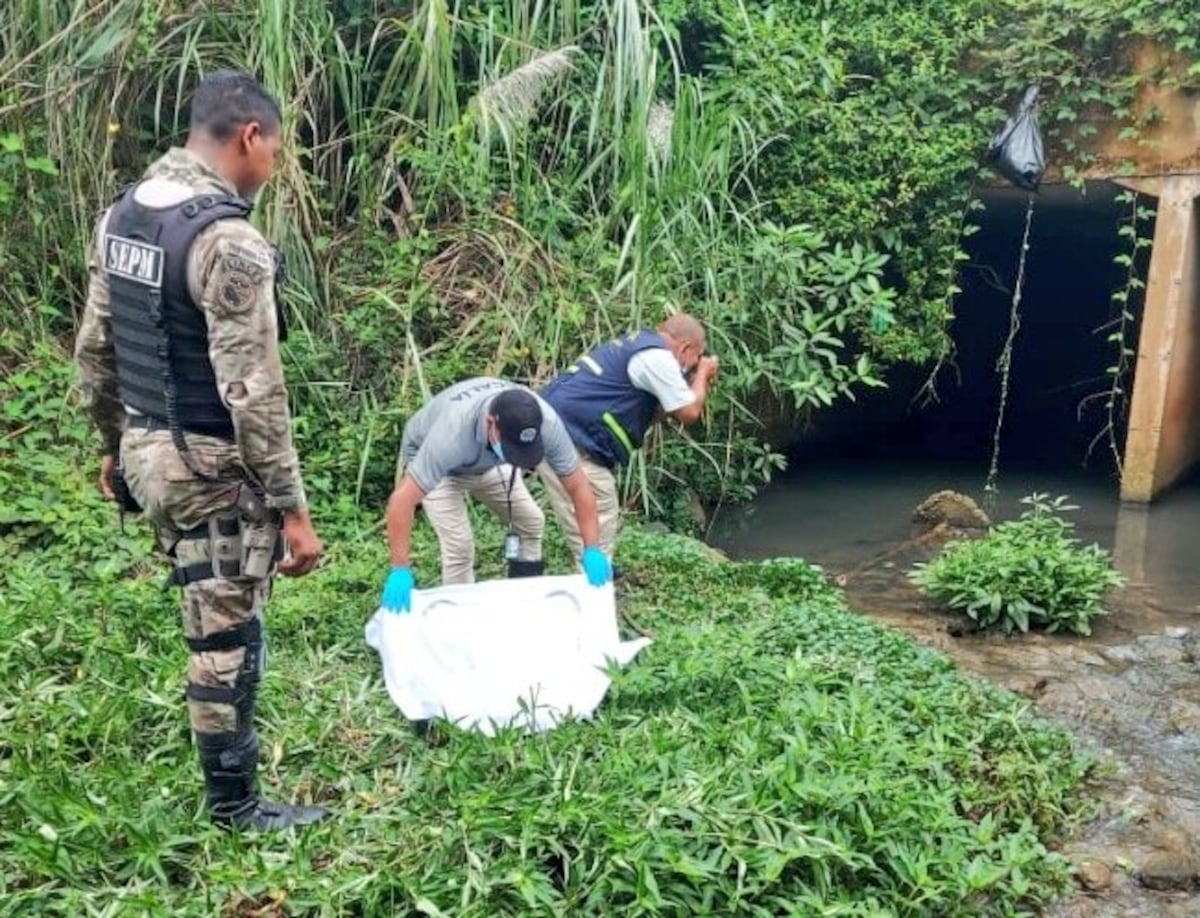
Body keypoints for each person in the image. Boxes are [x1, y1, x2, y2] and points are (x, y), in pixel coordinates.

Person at [74, 71, 327, 831]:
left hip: (149, 449)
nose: (271, 168)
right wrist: (293, 510)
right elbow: (253, 391)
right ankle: (236, 808)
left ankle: (233, 790)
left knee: (210, 615)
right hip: (209, 466)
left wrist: (114, 445)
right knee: (225, 639)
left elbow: (95, 351)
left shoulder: (123, 214)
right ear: (249, 136)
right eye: (274, 151)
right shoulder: (228, 239)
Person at [380, 378, 612, 613]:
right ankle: (460, 618)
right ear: (491, 424)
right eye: (512, 446)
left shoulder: (546, 422)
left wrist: (592, 548)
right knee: (460, 546)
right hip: (443, 470)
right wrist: (400, 569)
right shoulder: (450, 436)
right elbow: (402, 500)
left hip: (490, 462)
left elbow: (579, 486)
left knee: (530, 522)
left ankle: (524, 599)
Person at [538, 313, 720, 557]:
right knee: (596, 514)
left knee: (598, 511)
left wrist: (694, 380)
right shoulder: (659, 358)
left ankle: (600, 574)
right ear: (686, 347)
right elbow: (689, 413)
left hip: (559, 428)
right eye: (695, 358)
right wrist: (703, 373)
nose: (693, 364)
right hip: (570, 438)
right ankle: (595, 584)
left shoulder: (640, 344)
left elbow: (663, 411)